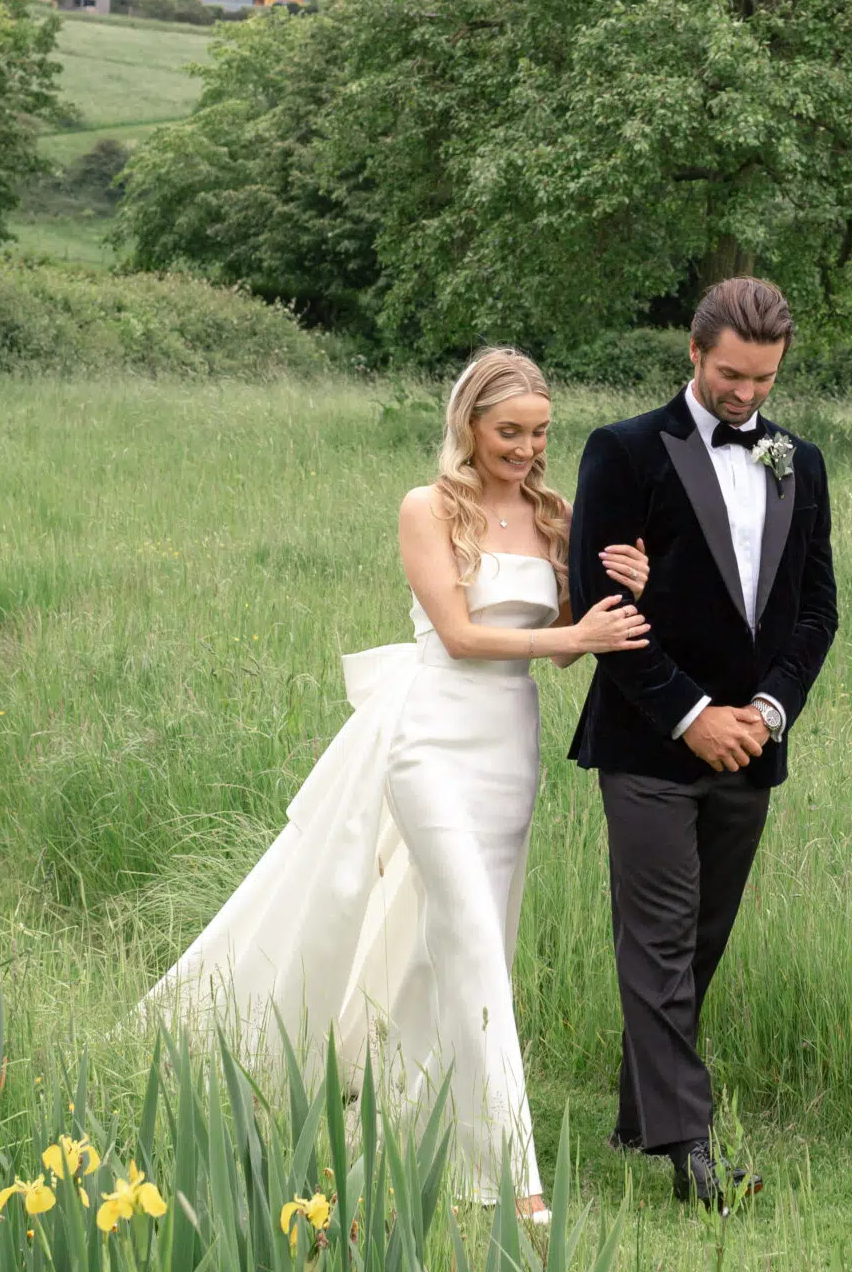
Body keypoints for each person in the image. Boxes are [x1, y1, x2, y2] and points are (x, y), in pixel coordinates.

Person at [140, 349, 652, 1221]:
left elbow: (568, 639)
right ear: (469, 424)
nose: (527, 449)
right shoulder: (428, 508)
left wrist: (615, 601)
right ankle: (518, 1180)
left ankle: (424, 1119)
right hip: (430, 738)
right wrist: (576, 640)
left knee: (454, 940)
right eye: (509, 432)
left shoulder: (555, 517)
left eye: (539, 433)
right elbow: (456, 634)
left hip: (508, 746)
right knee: (472, 939)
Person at [566, 278, 840, 1212]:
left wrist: (763, 713)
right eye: (731, 375)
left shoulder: (800, 461)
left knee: (697, 943)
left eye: (763, 380)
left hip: (750, 747)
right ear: (694, 353)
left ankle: (646, 1114)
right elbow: (599, 612)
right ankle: (691, 1153)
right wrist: (693, 715)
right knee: (656, 943)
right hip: (648, 743)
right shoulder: (624, 451)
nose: (746, 396)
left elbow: (815, 610)